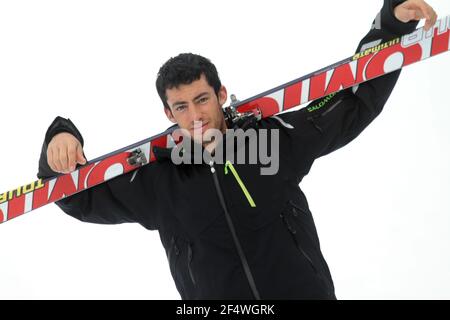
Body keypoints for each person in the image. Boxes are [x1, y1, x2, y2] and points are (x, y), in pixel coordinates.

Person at [38, 0, 437, 299]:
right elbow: (79, 198)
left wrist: (389, 27)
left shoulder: (273, 140)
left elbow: (351, 100)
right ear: (168, 112)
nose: (195, 115)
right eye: (181, 106)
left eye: (202, 99)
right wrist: (60, 138)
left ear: (221, 94)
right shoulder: (158, 181)